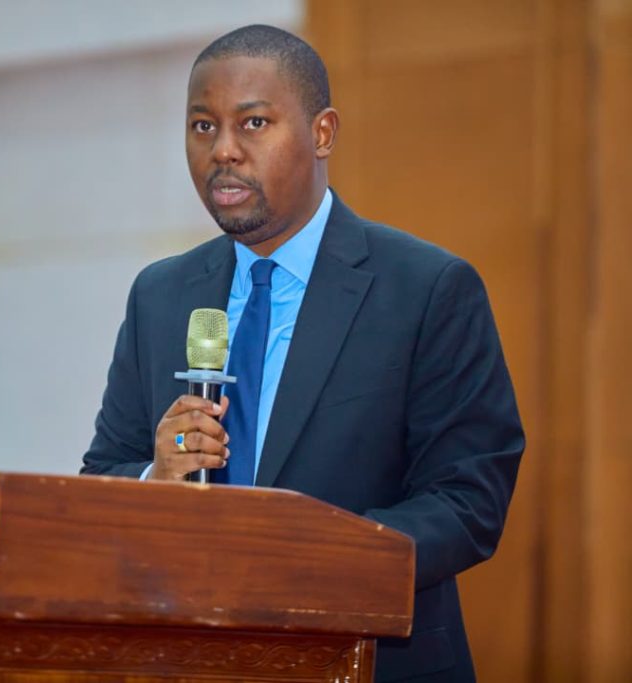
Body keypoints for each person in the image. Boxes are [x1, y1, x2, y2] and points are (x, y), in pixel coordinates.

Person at [80, 24, 524, 683]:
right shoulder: (161, 294)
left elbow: (468, 499)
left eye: (253, 123)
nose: (223, 151)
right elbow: (103, 473)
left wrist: (308, 562)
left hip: (367, 657)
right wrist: (155, 479)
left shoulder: (425, 288)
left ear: (322, 133)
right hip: (191, 662)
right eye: (202, 127)